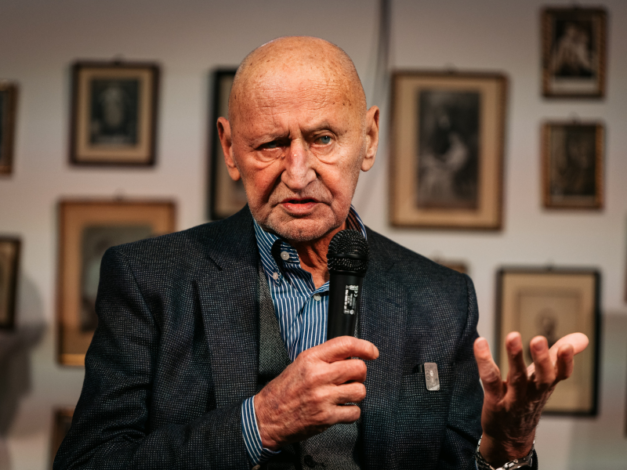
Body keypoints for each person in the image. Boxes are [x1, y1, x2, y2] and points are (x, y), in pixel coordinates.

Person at [55, 37, 588, 470]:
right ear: (230, 148)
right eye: (270, 144)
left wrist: (505, 451)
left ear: (369, 138)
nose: (298, 173)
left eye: (324, 139)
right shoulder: (147, 279)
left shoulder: (441, 300)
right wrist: (260, 422)